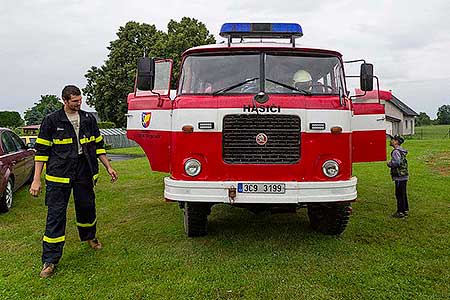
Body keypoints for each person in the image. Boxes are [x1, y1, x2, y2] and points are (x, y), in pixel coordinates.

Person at [30, 85, 118, 278]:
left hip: (84, 171)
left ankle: (90, 237)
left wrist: (108, 167)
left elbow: (98, 146)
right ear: (64, 100)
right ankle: (50, 260)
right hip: (58, 175)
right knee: (56, 216)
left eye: (80, 100)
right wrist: (36, 179)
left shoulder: (88, 119)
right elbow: (42, 152)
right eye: (75, 101)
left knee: (87, 207)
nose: (79, 104)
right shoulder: (51, 121)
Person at [386, 135, 409, 218]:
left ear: (396, 142)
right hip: (404, 176)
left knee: (399, 194)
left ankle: (400, 212)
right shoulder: (401, 151)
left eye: (392, 140)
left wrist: (389, 163)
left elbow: (397, 162)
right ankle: (405, 210)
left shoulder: (396, 151)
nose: (391, 141)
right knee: (403, 193)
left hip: (399, 176)